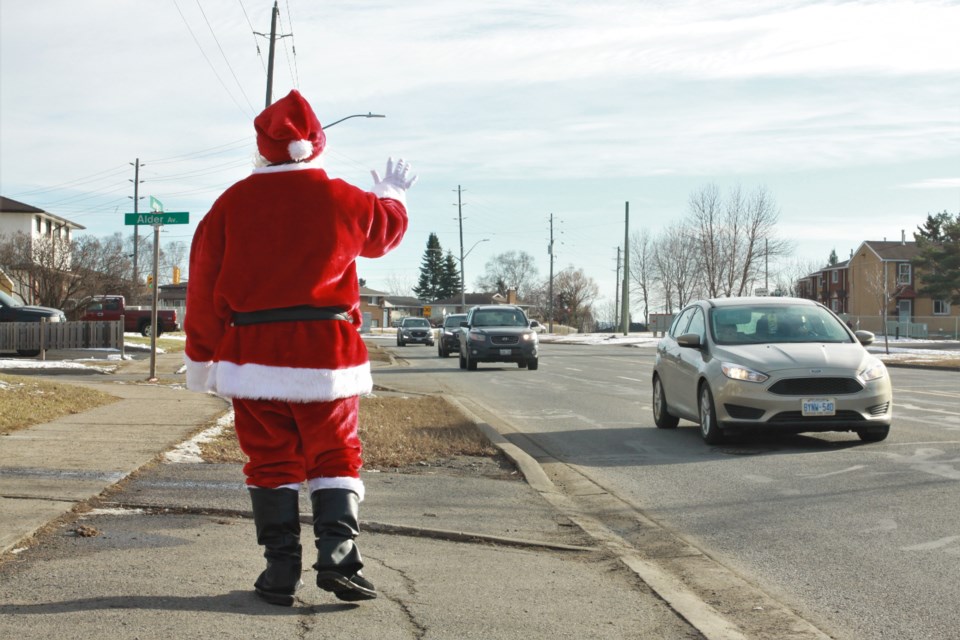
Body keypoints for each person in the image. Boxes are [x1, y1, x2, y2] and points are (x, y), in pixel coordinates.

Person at [183, 90, 416, 606]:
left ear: (261, 149)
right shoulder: (340, 197)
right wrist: (392, 195)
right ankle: (338, 556)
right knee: (335, 453)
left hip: (253, 356)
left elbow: (201, 289)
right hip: (326, 354)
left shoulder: (228, 205)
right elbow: (385, 232)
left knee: (268, 459)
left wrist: (201, 359)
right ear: (316, 145)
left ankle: (279, 570)